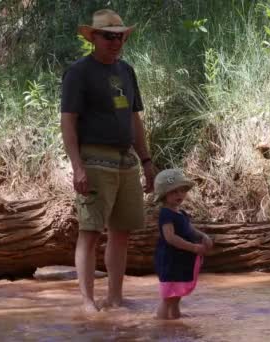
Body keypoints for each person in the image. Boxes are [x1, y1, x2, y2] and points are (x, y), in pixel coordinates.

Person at [60, 9, 155, 312]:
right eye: (108, 36)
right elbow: (68, 121)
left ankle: (115, 296)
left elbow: (135, 119)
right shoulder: (79, 72)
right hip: (94, 157)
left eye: (120, 36)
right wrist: (77, 166)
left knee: (122, 231)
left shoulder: (126, 71)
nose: (115, 42)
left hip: (126, 159)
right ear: (94, 38)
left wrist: (147, 160)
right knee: (90, 231)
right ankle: (87, 301)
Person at [153, 169, 213, 320]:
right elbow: (170, 237)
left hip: (180, 260)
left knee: (176, 295)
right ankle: (162, 324)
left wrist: (203, 236)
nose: (179, 195)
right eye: (174, 192)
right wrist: (193, 247)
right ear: (164, 195)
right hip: (170, 260)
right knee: (168, 297)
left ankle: (174, 319)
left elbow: (190, 229)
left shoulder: (181, 213)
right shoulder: (166, 214)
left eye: (182, 191)